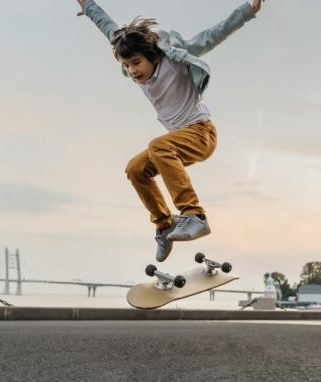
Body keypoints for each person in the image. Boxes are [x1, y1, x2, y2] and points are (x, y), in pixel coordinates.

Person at [76, 0, 264, 262]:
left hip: (201, 133)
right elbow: (108, 28)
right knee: (135, 169)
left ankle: (194, 215)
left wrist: (247, 11)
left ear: (151, 56)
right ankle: (165, 225)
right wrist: (88, 6)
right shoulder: (131, 58)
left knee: (158, 145)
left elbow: (212, 36)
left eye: (137, 63)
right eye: (128, 66)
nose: (132, 71)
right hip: (176, 144)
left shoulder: (174, 58)